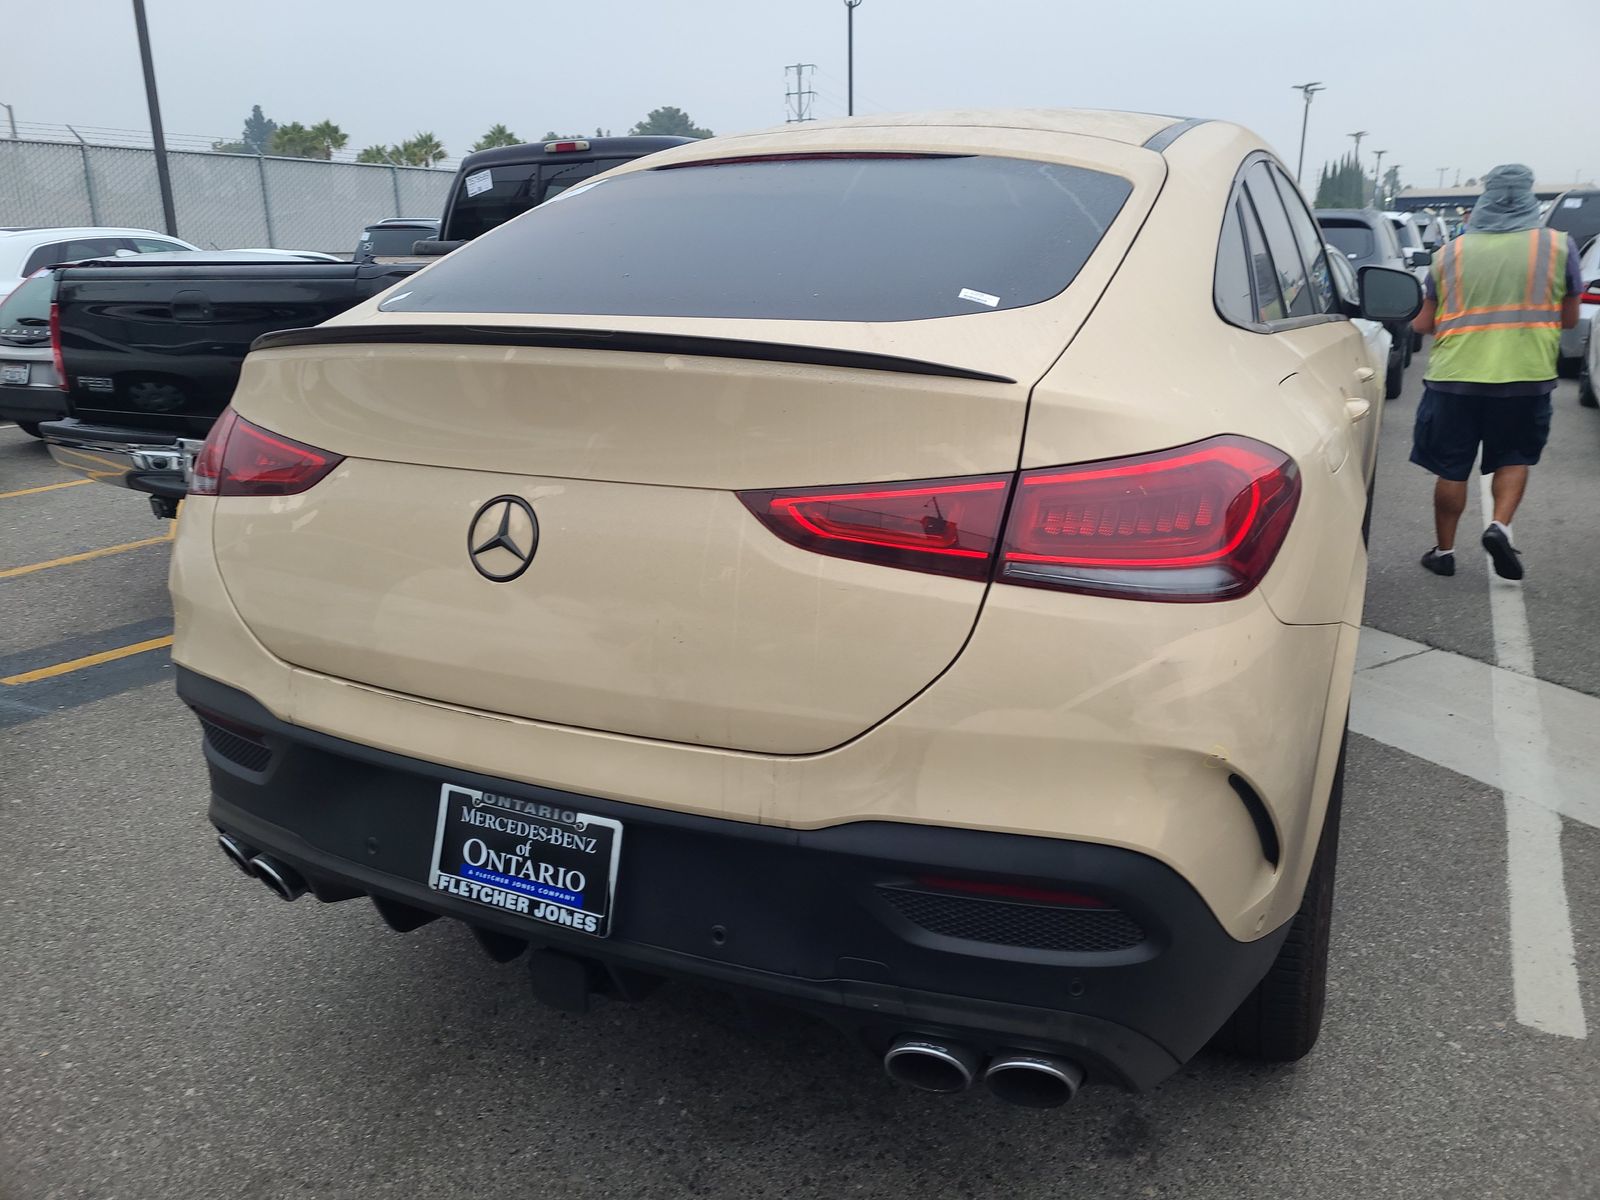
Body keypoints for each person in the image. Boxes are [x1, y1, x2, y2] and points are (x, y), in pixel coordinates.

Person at [1409, 164, 1582, 580]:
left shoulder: (1450, 252)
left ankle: (1445, 553)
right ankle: (1498, 527)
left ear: (1483, 198)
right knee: (1513, 458)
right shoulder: (1559, 247)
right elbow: (1571, 319)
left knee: (1451, 466)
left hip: (1455, 377)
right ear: (1529, 197)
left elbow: (1422, 324)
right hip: (1526, 375)